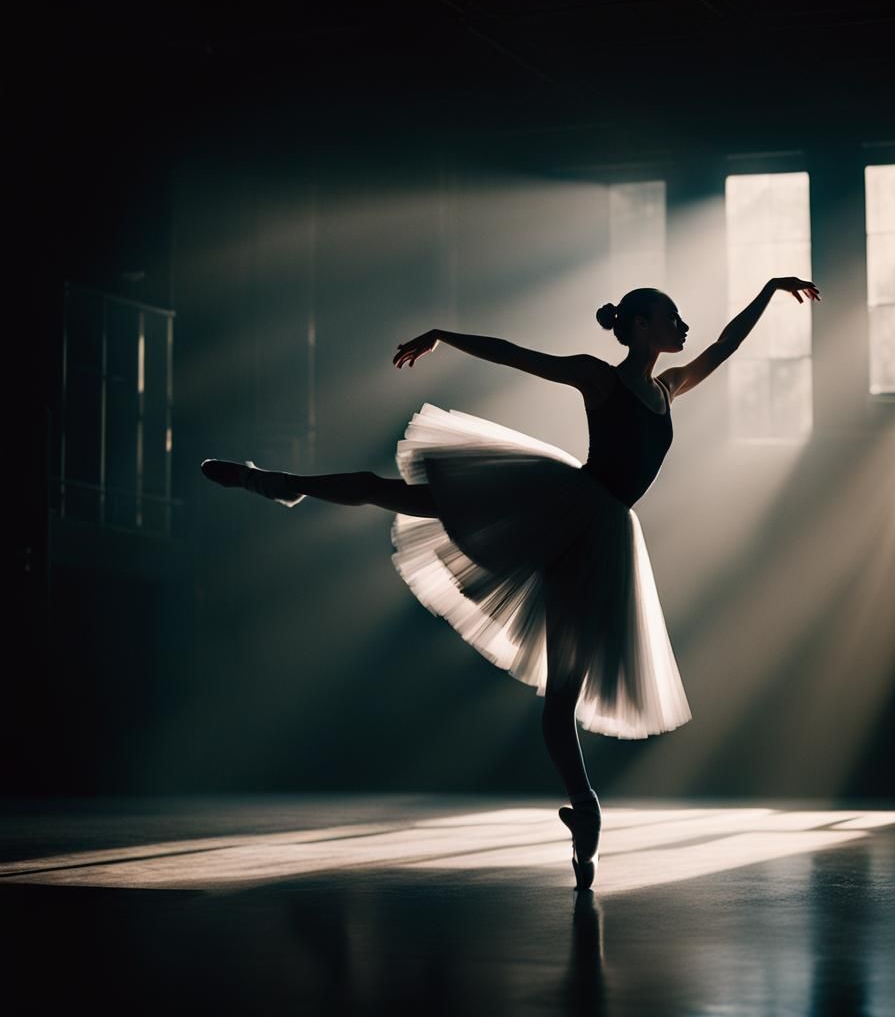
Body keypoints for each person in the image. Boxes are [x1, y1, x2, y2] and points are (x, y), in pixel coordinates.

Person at [201, 276, 821, 890]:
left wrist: (768, 290)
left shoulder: (667, 387)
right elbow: (518, 356)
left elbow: (725, 346)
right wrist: (444, 335)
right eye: (670, 317)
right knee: (397, 495)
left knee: (562, 699)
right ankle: (281, 482)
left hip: (600, 539)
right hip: (559, 507)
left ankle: (585, 812)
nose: (683, 327)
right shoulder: (599, 377)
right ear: (637, 327)